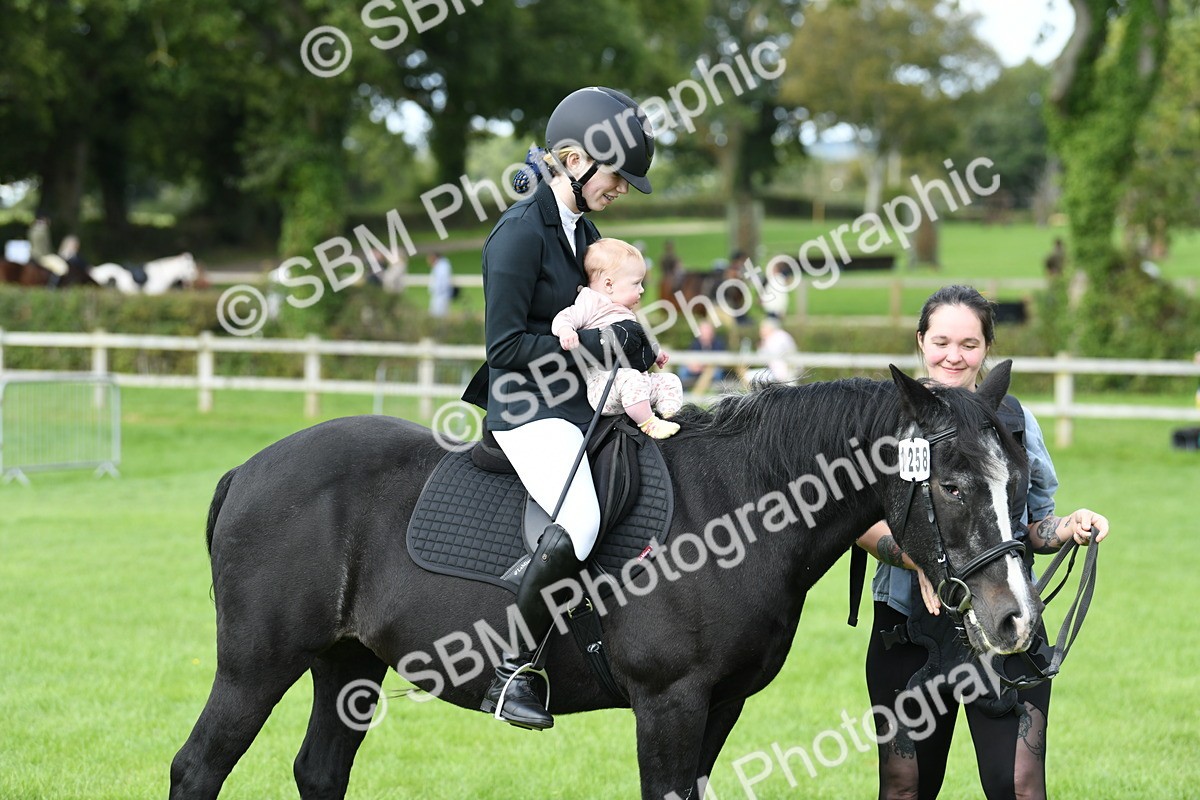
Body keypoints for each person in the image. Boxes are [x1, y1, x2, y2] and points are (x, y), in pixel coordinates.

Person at [856, 284, 1111, 799]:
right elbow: (858, 522)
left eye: (969, 344)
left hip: (1005, 612)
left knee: (1018, 785)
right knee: (905, 787)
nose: (954, 355)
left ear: (986, 348)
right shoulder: (886, 421)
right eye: (942, 341)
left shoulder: (1013, 421)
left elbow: (1032, 525)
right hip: (909, 625)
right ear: (921, 341)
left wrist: (1070, 526)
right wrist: (920, 562)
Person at [460, 86, 655, 730]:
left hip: (577, 399)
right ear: (574, 161)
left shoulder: (583, 231)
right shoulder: (519, 233)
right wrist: (600, 345)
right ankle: (510, 669)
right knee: (580, 520)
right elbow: (504, 347)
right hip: (526, 408)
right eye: (616, 174)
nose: (621, 188)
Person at [552, 237, 683, 439]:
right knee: (631, 379)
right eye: (636, 283)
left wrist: (655, 352)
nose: (642, 290)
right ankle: (649, 424)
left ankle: (671, 416)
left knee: (670, 380)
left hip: (636, 384)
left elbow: (639, 337)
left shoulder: (623, 309)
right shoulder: (591, 301)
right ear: (609, 284)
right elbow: (564, 317)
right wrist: (566, 331)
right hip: (606, 387)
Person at [679, 319, 727, 387]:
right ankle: (685, 391)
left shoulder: (718, 343)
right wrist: (693, 366)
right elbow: (690, 358)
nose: (705, 333)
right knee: (683, 370)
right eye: (703, 330)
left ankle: (713, 392)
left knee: (717, 373)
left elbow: (721, 361)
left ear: (712, 332)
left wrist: (704, 367)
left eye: (707, 330)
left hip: (711, 369)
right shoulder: (695, 343)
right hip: (697, 369)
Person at [427, 250, 453, 317]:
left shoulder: (442, 267)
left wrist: (437, 290)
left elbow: (443, 281)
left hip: (441, 295)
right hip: (438, 295)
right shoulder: (439, 266)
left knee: (440, 315)